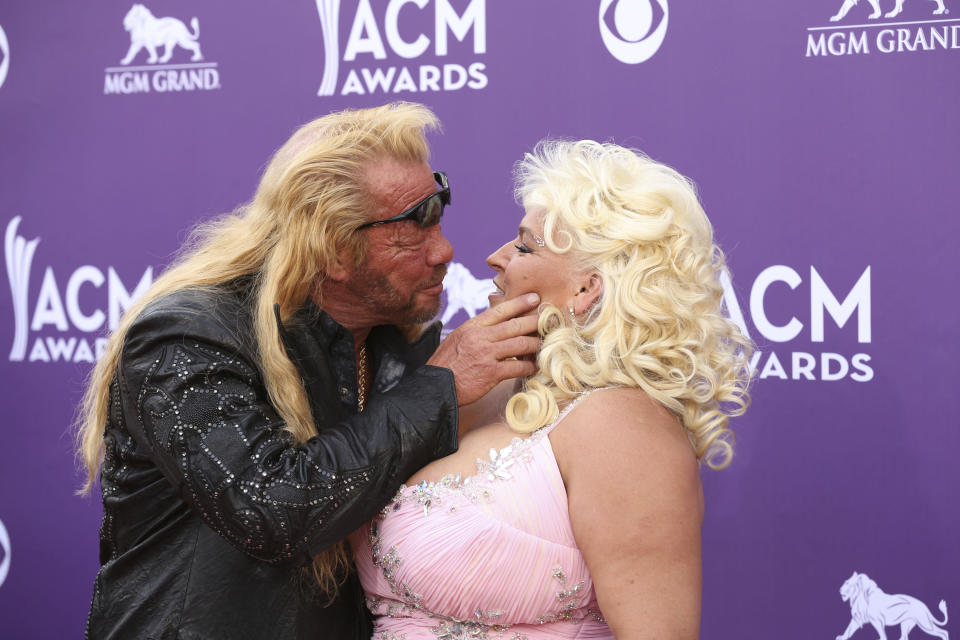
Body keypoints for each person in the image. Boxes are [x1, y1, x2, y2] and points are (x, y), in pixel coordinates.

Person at [76, 102, 541, 640]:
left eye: (439, 214)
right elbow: (272, 508)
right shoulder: (185, 338)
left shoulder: (401, 353)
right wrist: (439, 387)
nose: (445, 250)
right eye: (415, 226)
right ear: (333, 250)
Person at [349, 139, 754, 639]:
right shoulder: (485, 386)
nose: (495, 257)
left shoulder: (624, 429)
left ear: (587, 288)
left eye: (524, 246)